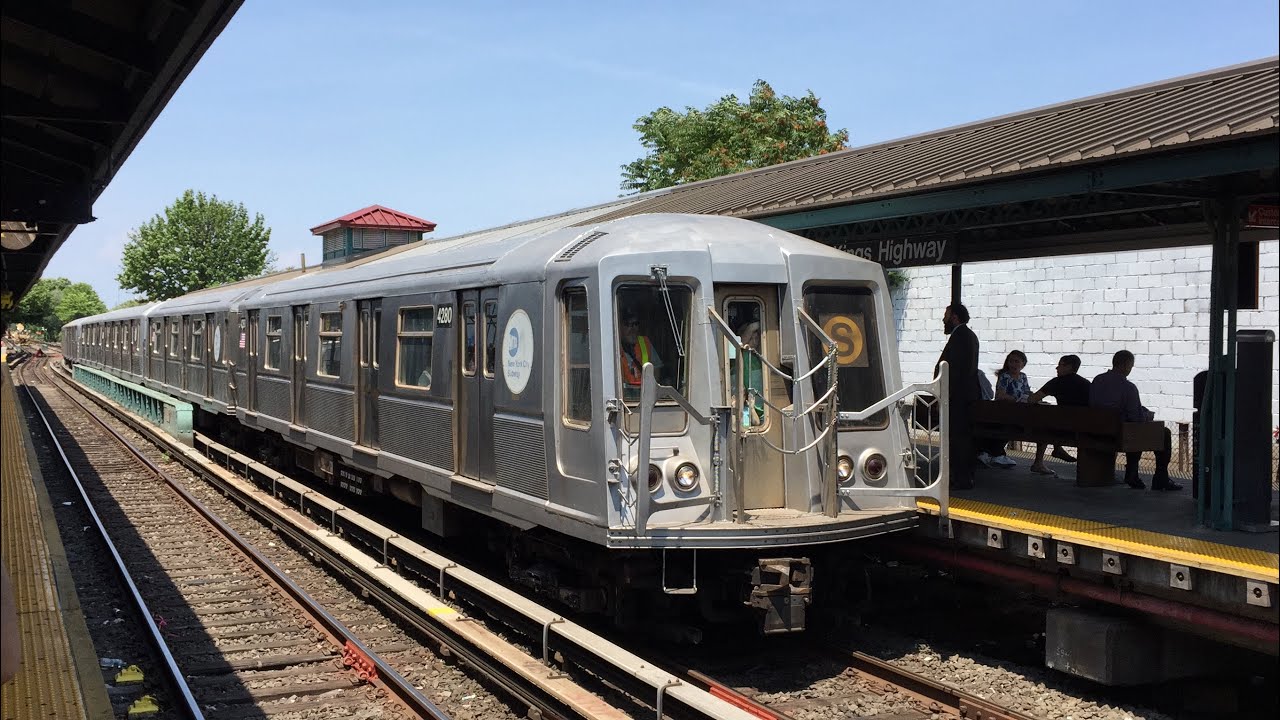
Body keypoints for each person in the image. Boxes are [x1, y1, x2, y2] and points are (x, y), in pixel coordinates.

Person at [1090, 350, 1180, 491]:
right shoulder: (1128, 387)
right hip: (1121, 434)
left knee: (1132, 431)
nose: (1130, 369)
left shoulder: (1097, 380)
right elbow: (1136, 418)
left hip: (1097, 430)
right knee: (1163, 433)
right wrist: (1147, 415)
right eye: (1131, 366)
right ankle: (1160, 478)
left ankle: (1133, 474)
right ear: (1126, 365)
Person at [936, 303, 980, 489]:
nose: (943, 319)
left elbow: (954, 370)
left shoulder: (961, 337)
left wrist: (943, 393)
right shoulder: (968, 336)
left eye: (946, 315)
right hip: (964, 395)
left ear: (954, 317)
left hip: (957, 397)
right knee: (962, 437)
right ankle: (963, 475)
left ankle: (960, 477)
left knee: (957, 438)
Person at [1028, 354, 1091, 468]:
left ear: (1069, 367)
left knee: (1045, 425)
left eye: (1060, 365)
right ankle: (1057, 449)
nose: (1057, 368)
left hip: (1062, 428)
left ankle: (1039, 462)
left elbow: (1032, 399)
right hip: (1083, 428)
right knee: (1055, 421)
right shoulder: (1086, 384)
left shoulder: (1056, 382)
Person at [619, 310, 662, 400]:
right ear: (619, 327)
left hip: (645, 396)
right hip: (624, 397)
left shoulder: (645, 342)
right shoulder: (613, 347)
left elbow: (657, 368)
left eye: (635, 324)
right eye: (627, 324)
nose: (633, 328)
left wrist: (651, 390)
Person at [733, 322, 766, 427]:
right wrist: (754, 325)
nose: (755, 342)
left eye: (757, 338)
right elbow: (741, 343)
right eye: (752, 338)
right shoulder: (743, 355)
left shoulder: (756, 356)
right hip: (752, 405)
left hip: (761, 408)